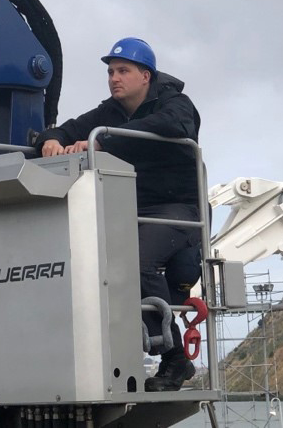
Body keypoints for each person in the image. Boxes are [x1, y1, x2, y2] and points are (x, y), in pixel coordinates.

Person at [34, 37, 201, 392]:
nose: (114, 78)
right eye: (110, 71)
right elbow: (69, 128)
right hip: (128, 207)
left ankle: (174, 360)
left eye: (123, 70)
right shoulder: (109, 112)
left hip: (178, 209)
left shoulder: (175, 103)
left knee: (135, 261)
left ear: (146, 76)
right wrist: (50, 139)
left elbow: (173, 125)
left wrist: (104, 141)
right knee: (90, 264)